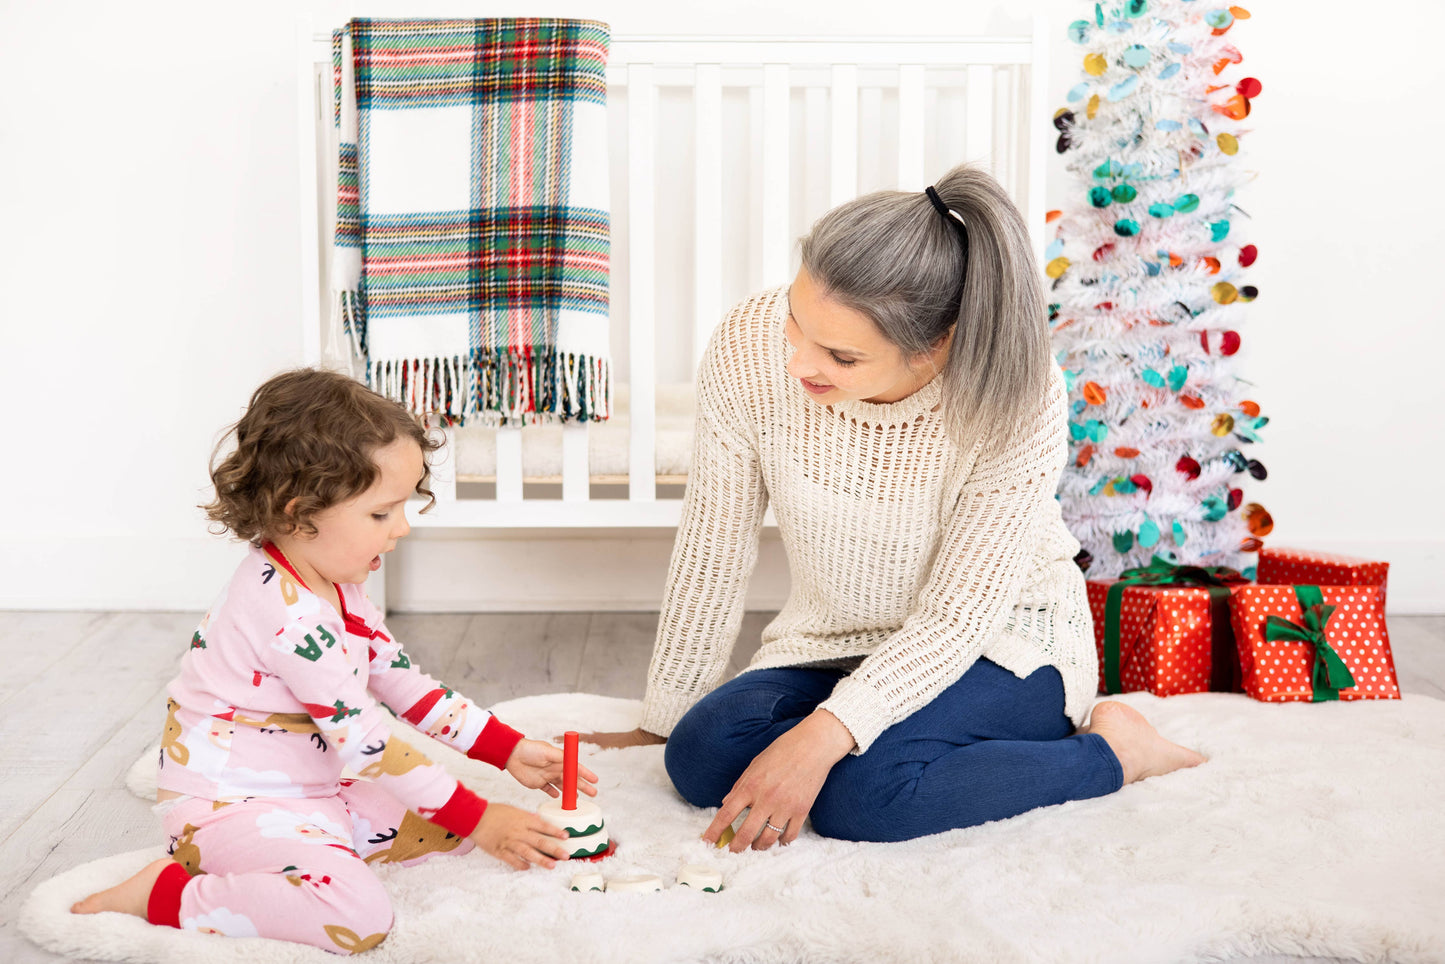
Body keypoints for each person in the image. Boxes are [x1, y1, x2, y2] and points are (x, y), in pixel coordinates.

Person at [583, 164, 1204, 850]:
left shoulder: (1017, 395)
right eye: (794, 323)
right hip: (838, 640)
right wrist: (664, 715)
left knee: (867, 801)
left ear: (935, 347)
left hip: (999, 642)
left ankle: (1113, 753)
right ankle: (868, 732)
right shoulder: (748, 346)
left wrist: (823, 737)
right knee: (698, 758)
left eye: (840, 357)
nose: (796, 364)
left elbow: (958, 615)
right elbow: (714, 544)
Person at [72, 369, 597, 955]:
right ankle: (163, 894)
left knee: (448, 832)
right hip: (229, 805)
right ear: (300, 515)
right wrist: (480, 816)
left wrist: (505, 748)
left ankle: (331, 838)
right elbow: (367, 740)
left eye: (403, 508)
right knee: (358, 913)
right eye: (380, 514)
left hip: (315, 788)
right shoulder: (287, 615)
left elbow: (400, 681)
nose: (401, 529)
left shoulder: (336, 583)